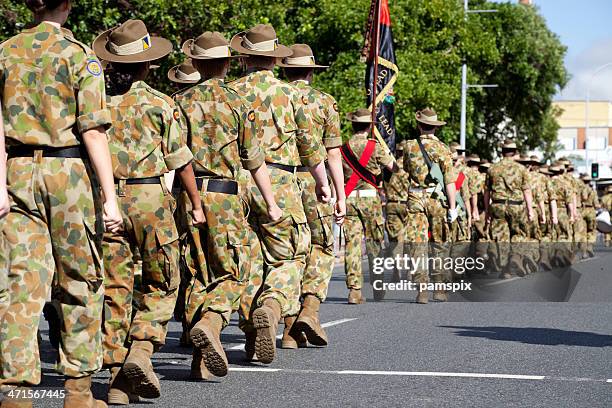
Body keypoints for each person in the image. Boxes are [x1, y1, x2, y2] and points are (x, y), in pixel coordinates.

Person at [0, 0, 123, 406]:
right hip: (67, 175)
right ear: (67, 4)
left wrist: (0, 187)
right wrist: (110, 197)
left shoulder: (6, 51)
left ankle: (15, 393)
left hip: (17, 171)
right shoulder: (79, 55)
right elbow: (93, 131)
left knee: (21, 283)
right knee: (79, 280)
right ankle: (78, 393)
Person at [92, 19, 204, 403]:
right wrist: (196, 203)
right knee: (162, 281)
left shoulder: (95, 102)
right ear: (146, 65)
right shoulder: (161, 104)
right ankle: (141, 349)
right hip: (150, 201)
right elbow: (181, 161)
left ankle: (115, 377)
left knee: (114, 288)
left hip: (105, 202)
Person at [174, 31, 281, 379]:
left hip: (186, 194)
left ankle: (200, 358)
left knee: (196, 271)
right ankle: (211, 319)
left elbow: (171, 158)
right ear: (226, 62)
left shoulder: (177, 102)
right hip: (225, 195)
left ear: (196, 63)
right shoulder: (238, 102)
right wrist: (271, 203)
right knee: (235, 269)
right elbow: (254, 161)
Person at [229, 24, 331, 364]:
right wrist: (323, 183)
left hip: (237, 182)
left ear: (244, 58)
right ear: (275, 59)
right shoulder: (292, 96)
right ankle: (272, 309)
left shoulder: (230, 93)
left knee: (248, 260)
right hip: (282, 183)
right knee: (290, 257)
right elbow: (309, 147)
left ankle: (248, 333)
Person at [279, 43, 346, 347]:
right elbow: (333, 154)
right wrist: (339, 193)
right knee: (321, 247)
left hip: (279, 182)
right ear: (310, 71)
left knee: (290, 251)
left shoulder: (275, 97)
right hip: (313, 181)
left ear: (284, 69)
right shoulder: (325, 102)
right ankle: (310, 309)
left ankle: (289, 328)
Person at [342, 108, 398, 304]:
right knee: (374, 244)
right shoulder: (375, 147)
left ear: (352, 124)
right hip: (370, 200)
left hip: (349, 198)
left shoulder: (344, 148)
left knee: (352, 245)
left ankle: (354, 290)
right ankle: (378, 286)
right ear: (369, 126)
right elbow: (394, 168)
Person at [403, 108, 457, 303]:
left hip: (416, 196)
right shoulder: (443, 149)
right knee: (440, 243)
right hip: (437, 197)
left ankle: (421, 289)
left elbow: (407, 170)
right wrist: (452, 207)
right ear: (435, 127)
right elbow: (450, 180)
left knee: (417, 243)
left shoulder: (409, 146)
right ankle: (440, 288)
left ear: (419, 125)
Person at [483, 141, 534, 279]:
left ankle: (506, 268)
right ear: (515, 152)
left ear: (502, 152)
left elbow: (486, 192)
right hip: (516, 205)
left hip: (498, 205)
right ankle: (515, 259)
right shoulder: (521, 169)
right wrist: (530, 210)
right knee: (519, 233)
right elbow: (527, 190)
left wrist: (487, 210)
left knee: (501, 237)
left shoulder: (492, 169)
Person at [382, 141, 411, 283]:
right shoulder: (409, 167)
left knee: (395, 240)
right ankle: (410, 270)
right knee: (410, 238)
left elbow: (383, 184)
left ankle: (397, 269)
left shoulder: (388, 168)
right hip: (408, 205)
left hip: (392, 204)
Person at [579, 175, 599, 258]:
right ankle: (589, 247)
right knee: (591, 231)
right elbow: (596, 204)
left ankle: (583, 252)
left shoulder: (579, 190)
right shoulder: (592, 191)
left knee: (582, 233)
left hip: (581, 211)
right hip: (590, 211)